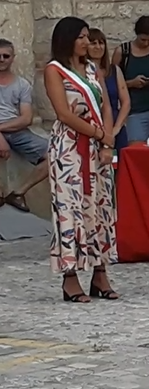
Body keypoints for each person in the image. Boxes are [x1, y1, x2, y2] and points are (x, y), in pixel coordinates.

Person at [44, 17, 118, 302]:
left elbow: (106, 106)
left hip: (98, 147)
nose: (87, 42)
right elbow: (64, 113)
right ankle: (70, 276)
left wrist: (107, 140)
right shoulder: (55, 70)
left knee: (100, 206)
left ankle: (100, 273)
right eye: (82, 37)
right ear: (68, 40)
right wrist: (99, 133)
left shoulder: (92, 69)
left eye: (88, 36)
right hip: (70, 147)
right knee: (71, 207)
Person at [0, 39, 49, 212]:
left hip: (16, 131)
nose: (1, 59)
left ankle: (18, 193)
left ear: (13, 58)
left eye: (6, 56)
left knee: (55, 155)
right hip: (7, 130)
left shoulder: (22, 85)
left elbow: (26, 118)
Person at [89, 28, 130, 154]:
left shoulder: (114, 70)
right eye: (93, 43)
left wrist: (117, 127)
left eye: (101, 43)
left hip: (115, 125)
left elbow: (126, 102)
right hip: (92, 127)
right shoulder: (83, 72)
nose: (98, 47)